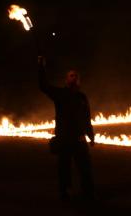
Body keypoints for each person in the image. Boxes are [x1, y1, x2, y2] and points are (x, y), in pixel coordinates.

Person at [38, 56, 95, 201]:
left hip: (79, 138)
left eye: (75, 75)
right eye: (71, 75)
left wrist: (91, 135)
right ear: (66, 80)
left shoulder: (82, 97)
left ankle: (88, 193)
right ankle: (65, 193)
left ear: (79, 80)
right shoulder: (60, 94)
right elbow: (43, 86)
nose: (73, 77)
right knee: (64, 169)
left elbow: (86, 118)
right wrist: (41, 67)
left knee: (85, 168)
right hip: (64, 139)